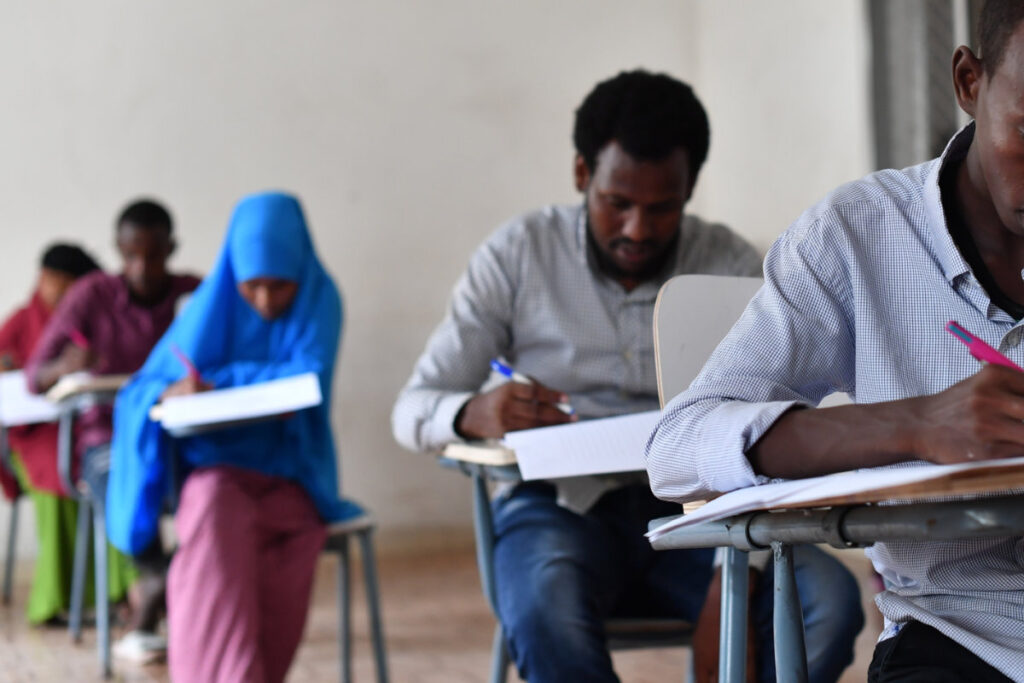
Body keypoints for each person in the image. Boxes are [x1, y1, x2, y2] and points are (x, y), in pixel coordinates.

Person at [392, 70, 863, 683]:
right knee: (543, 607)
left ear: (690, 188)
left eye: (662, 207)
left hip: (706, 509)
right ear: (582, 175)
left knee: (829, 605)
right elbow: (412, 407)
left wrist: (733, 576)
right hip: (561, 508)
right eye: (618, 204)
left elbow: (770, 421)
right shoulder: (518, 255)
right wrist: (467, 413)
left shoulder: (730, 265)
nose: (638, 230)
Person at [646, 2, 1024, 681]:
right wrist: (914, 422)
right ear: (970, 81)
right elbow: (678, 448)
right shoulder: (856, 237)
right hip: (962, 633)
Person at [109, 192, 361, 682]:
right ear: (232, 275)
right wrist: (174, 390)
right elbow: (141, 390)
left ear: (300, 275)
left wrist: (217, 380)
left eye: (279, 286)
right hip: (218, 476)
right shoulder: (213, 303)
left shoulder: (320, 298)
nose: (265, 301)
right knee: (210, 521)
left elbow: (305, 377)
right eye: (252, 287)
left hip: (294, 479)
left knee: (272, 566)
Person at [25, 199, 200, 659]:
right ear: (119, 252)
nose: (142, 266)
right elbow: (34, 374)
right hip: (107, 438)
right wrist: (65, 365)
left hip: (176, 433)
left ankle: (173, 593)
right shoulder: (92, 295)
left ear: (172, 249)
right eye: (131, 255)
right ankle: (155, 582)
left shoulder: (193, 295)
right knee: (130, 478)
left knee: (213, 482)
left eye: (154, 254)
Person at [0, 243, 115, 625]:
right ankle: (53, 601)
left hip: (81, 425)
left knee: (101, 468)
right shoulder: (20, 322)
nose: (52, 288)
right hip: (30, 436)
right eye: (49, 280)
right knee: (56, 470)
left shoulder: (90, 318)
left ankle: (112, 595)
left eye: (65, 284)